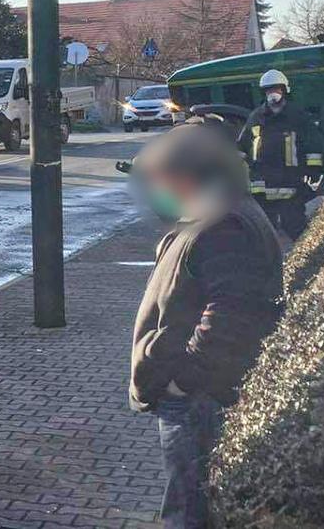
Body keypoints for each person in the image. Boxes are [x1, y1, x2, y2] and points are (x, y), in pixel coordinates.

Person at [129, 122, 285, 529]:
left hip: (197, 399)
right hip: (199, 394)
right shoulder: (218, 214)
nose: (156, 190)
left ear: (185, 176)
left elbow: (231, 310)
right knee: (193, 503)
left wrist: (184, 378)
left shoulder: (222, 226)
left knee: (189, 510)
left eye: (161, 178)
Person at [236, 69, 323, 239]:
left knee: (295, 226)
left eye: (276, 89)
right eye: (269, 90)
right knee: (264, 232)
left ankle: (309, 251)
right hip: (262, 186)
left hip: (290, 182)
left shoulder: (297, 116)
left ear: (284, 90)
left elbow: (313, 145)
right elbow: (242, 145)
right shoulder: (256, 117)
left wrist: (313, 169)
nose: (273, 94)